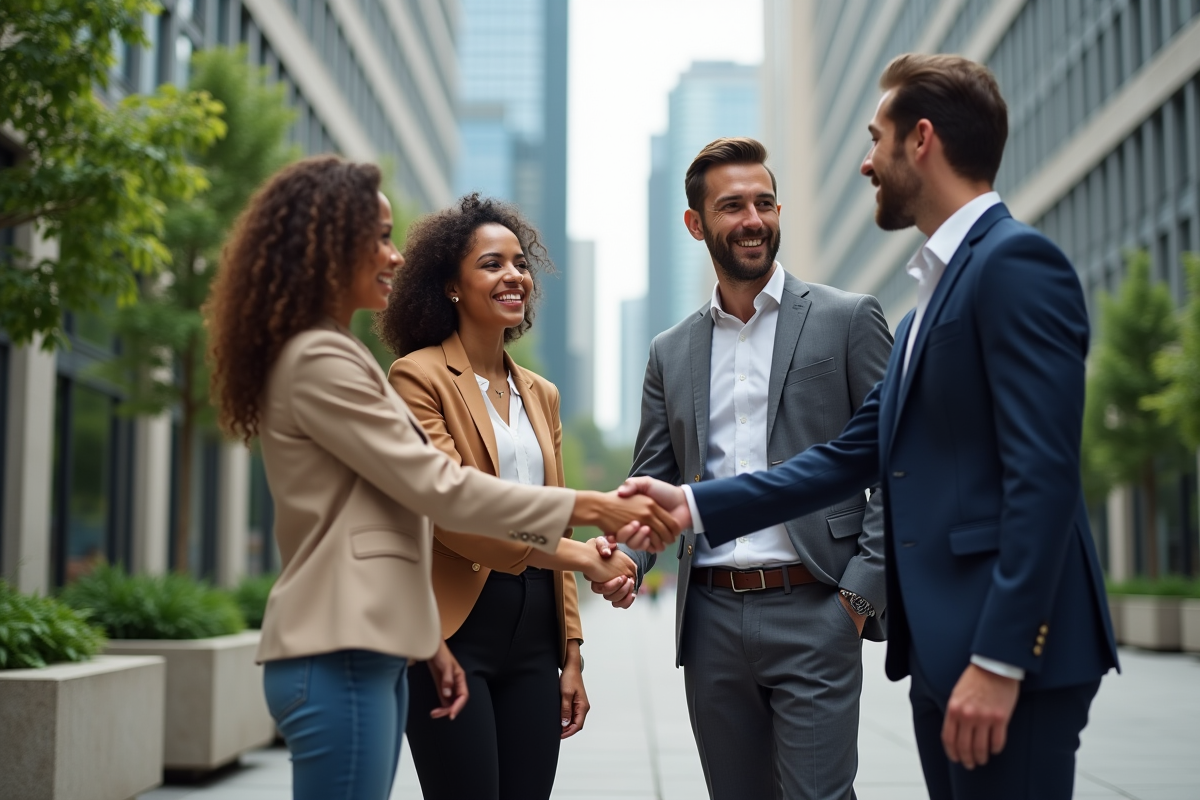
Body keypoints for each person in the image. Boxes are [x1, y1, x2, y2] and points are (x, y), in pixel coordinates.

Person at [620, 55, 1120, 800]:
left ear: (920, 141)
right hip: (944, 652)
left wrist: (997, 657)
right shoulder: (933, 299)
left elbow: (1043, 481)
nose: (865, 163)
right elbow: (853, 453)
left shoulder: (1016, 265)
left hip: (1001, 655)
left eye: (875, 139)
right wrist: (693, 506)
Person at [204, 156, 678, 800]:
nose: (392, 257)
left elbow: (389, 519)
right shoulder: (344, 363)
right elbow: (441, 493)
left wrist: (445, 643)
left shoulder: (526, 390)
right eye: (375, 238)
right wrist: (593, 511)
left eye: (520, 263)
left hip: (407, 640)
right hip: (350, 647)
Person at [596, 137, 892, 800]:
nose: (753, 219)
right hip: (711, 622)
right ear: (696, 224)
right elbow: (655, 481)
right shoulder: (669, 351)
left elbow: (893, 467)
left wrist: (857, 597)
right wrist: (626, 560)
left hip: (816, 605)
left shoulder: (848, 319)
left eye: (764, 202)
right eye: (732, 206)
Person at [375, 194, 637, 800]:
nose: (514, 274)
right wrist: (585, 559)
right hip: (453, 628)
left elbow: (555, 516)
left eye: (519, 263)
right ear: (451, 286)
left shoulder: (540, 393)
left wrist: (571, 651)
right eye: (491, 264)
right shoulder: (417, 377)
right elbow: (455, 516)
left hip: (534, 634)